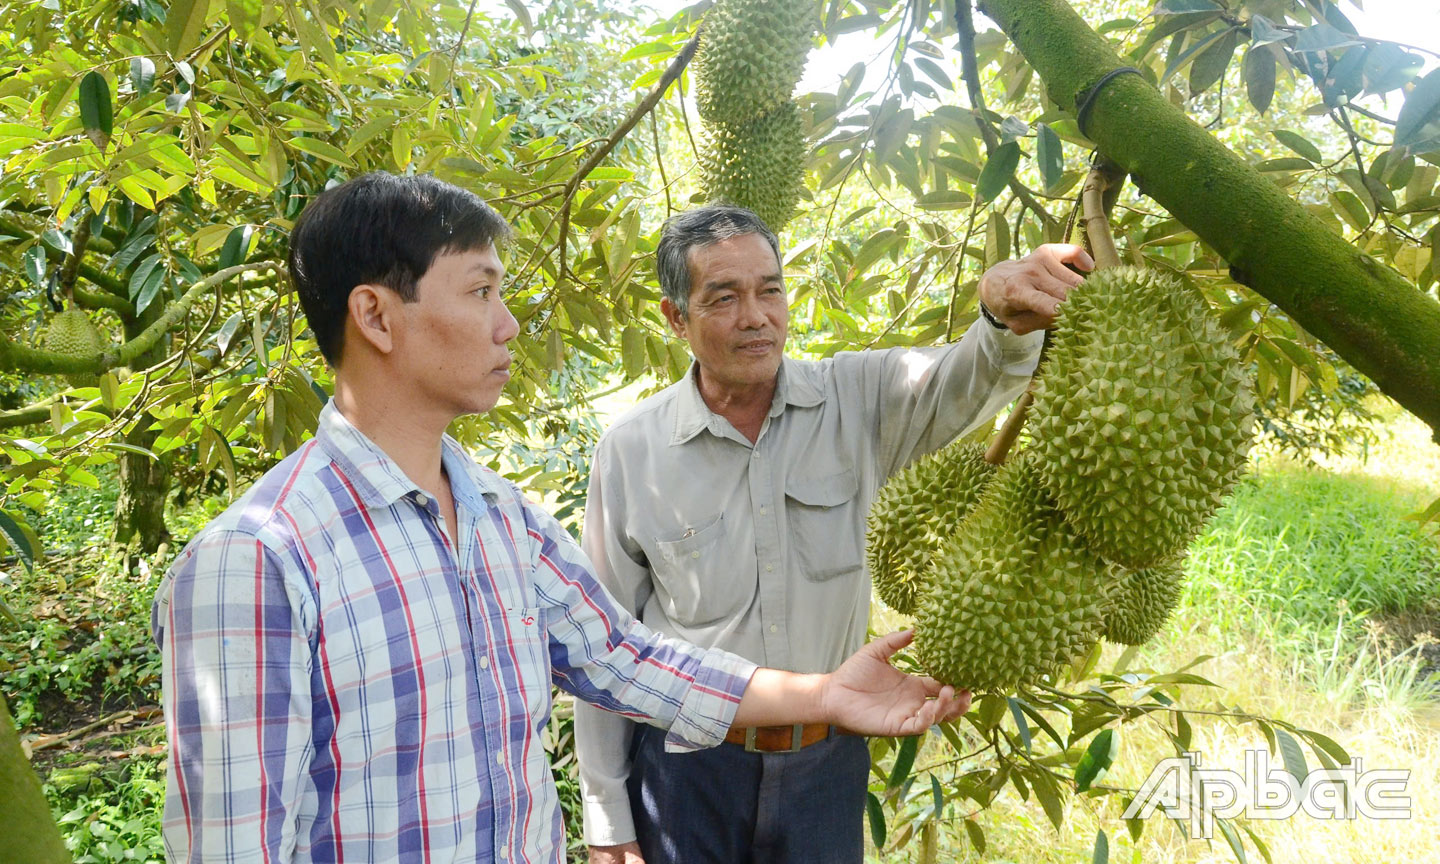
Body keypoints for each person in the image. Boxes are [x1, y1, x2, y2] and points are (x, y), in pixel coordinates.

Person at [150, 173, 973, 864]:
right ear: (375, 316)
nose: (508, 325)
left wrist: (824, 693)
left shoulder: (501, 520)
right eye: (481, 291)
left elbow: (626, 657)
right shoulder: (258, 562)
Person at [575, 205, 1094, 864]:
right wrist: (607, 818)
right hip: (687, 770)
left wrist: (1000, 313)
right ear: (675, 317)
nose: (757, 315)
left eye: (770, 289)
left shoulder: (859, 397)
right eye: (724, 298)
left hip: (825, 766)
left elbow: (972, 377)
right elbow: (605, 648)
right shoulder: (631, 452)